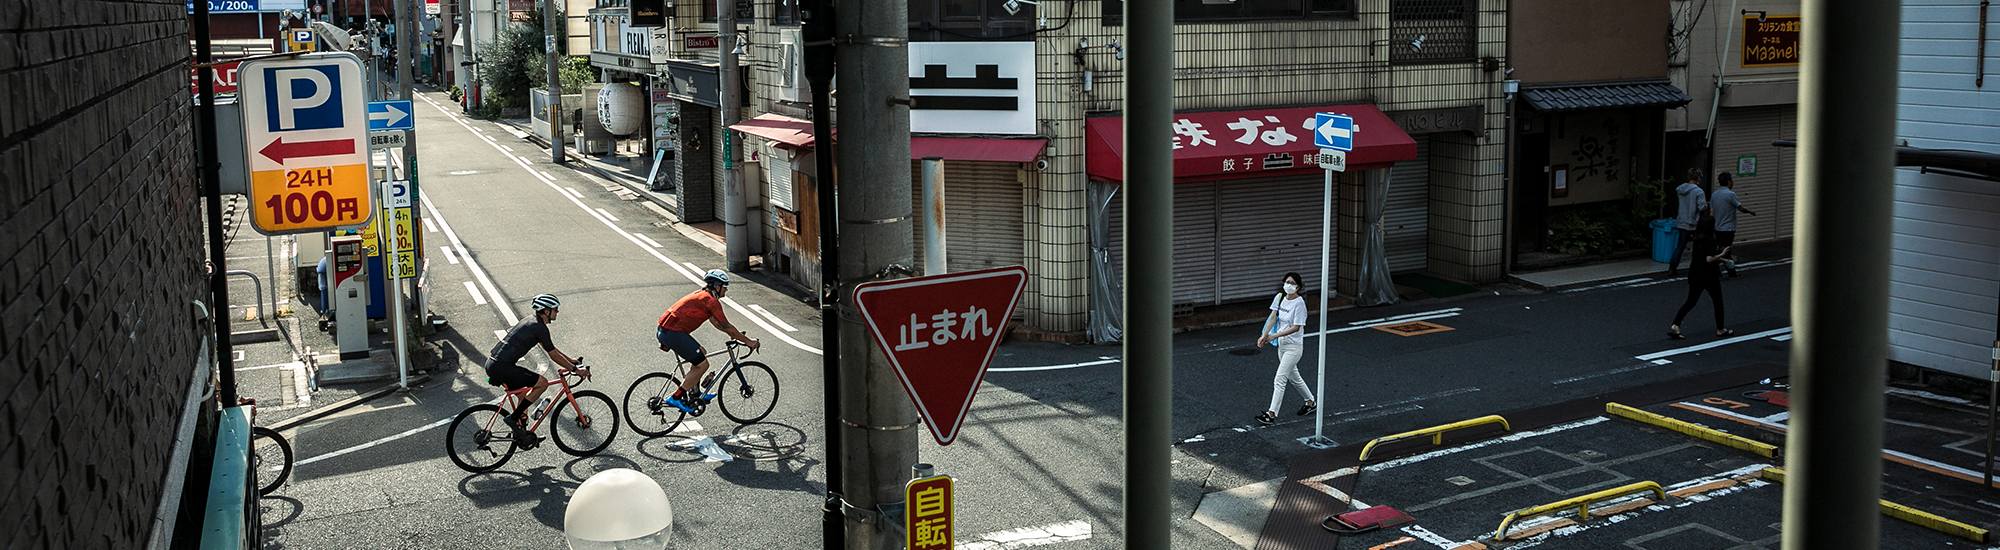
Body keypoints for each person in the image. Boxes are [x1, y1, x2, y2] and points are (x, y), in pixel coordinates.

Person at [657, 269, 761, 412]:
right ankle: (675, 398)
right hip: (673, 333)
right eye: (725, 287)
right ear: (717, 286)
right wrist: (748, 341)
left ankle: (694, 393)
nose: (726, 290)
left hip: (667, 331)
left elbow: (717, 323)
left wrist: (735, 335)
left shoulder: (702, 295)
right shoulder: (711, 301)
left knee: (701, 354)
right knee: (702, 365)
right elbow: (726, 326)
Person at [486, 294, 584, 443]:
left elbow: (552, 349)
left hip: (494, 364)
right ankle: (512, 419)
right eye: (555, 309)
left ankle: (522, 433)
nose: (557, 312)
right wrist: (575, 370)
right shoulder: (539, 328)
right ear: (546, 312)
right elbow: (554, 356)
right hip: (502, 367)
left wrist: (571, 361)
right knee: (542, 383)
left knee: (523, 394)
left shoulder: (531, 321)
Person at [1254, 272, 1316, 426]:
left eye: (1292, 283)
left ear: (1298, 287)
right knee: (1294, 377)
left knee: (1280, 378)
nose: (1289, 285)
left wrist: (1274, 335)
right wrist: (1264, 334)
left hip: (1293, 348)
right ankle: (1310, 402)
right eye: (1287, 281)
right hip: (1282, 345)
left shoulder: (1300, 304)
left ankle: (1271, 414)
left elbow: (1296, 327)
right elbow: (1273, 316)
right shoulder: (1280, 297)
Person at [1668, 216, 1732, 340]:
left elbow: (1703, 256)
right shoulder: (1711, 240)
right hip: (1709, 276)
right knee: (1718, 302)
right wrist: (1723, 254)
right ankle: (1721, 329)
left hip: (1695, 274)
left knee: (1690, 302)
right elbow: (1709, 259)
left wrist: (1723, 259)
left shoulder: (1697, 239)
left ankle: (1675, 325)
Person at [1709, 172, 1757, 278]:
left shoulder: (1714, 194)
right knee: (1725, 250)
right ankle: (1716, 268)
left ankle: (1729, 271)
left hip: (1717, 227)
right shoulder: (1730, 194)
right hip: (1728, 228)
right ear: (1729, 182)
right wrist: (1750, 211)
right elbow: (1740, 208)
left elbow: (1711, 211)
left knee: (1723, 249)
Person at [1667, 168, 1710, 277]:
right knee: (1697, 245)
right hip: (1694, 222)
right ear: (1698, 177)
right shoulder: (1698, 191)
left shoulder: (1680, 189)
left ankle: (1672, 268)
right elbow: (1702, 207)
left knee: (1680, 245)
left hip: (1682, 220)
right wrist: (1707, 204)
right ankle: (1696, 267)